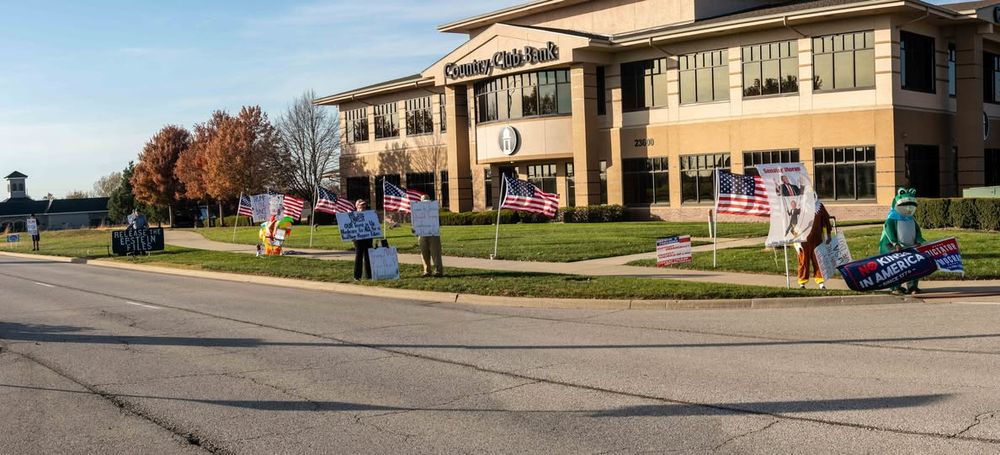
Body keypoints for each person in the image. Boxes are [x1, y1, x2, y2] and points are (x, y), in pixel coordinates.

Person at [797, 201, 833, 289]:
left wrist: (828, 234)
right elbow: (793, 221)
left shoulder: (819, 206)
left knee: (818, 261)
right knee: (803, 261)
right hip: (803, 241)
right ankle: (802, 282)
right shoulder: (799, 205)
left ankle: (821, 282)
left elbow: (826, 221)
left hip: (817, 240)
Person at [415, 194, 443, 277]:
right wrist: (415, 229)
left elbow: (438, 222)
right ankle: (427, 271)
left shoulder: (434, 210)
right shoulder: (418, 211)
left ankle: (438, 270)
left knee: (436, 253)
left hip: (433, 234)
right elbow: (415, 222)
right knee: (424, 253)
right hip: (422, 235)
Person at [352, 199, 373, 280]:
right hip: (358, 239)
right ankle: (357, 276)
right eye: (361, 205)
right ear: (357, 206)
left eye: (364, 205)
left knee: (368, 256)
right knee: (359, 256)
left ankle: (369, 276)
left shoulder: (369, 215)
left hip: (368, 237)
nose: (363, 207)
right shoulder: (353, 216)